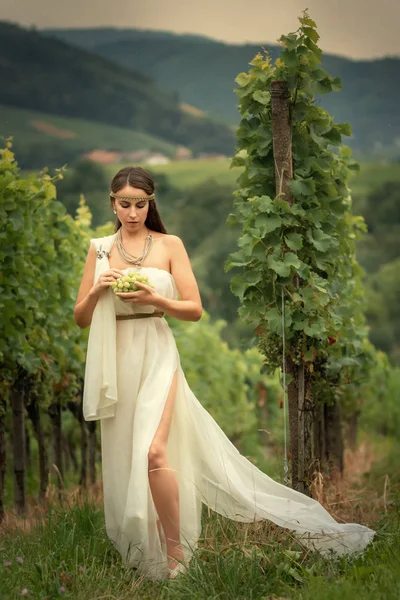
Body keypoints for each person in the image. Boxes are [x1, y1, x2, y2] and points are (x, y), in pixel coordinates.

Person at [74, 166, 375, 582]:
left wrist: (153, 297)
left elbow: (195, 310)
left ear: (150, 203)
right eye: (124, 204)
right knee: (129, 458)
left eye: (140, 204)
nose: (132, 212)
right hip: (117, 361)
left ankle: (179, 559)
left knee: (154, 453)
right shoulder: (101, 250)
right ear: (112, 203)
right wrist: (96, 291)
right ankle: (144, 553)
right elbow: (80, 318)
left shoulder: (169, 244)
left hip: (157, 353)